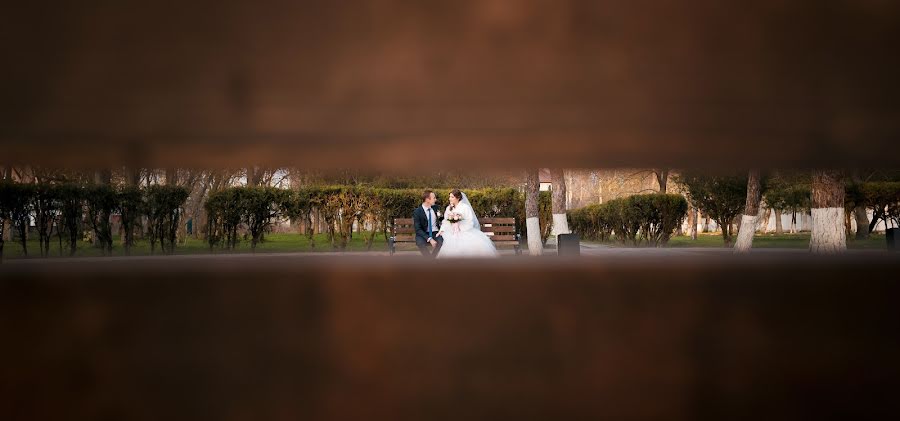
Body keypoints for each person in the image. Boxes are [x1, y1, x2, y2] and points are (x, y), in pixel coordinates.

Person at [436, 189, 499, 258]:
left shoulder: (465, 207)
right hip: (452, 232)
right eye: (450, 197)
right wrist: (442, 229)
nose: (449, 199)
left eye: (452, 197)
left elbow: (470, 221)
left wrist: (459, 226)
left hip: (464, 231)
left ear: (458, 198)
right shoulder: (449, 208)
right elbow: (446, 221)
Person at [413, 190, 443, 258]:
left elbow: (441, 219)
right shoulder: (417, 212)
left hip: (435, 232)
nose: (435, 200)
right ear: (427, 199)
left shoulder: (436, 208)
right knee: (420, 243)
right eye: (434, 198)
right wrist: (430, 239)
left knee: (441, 241)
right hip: (423, 233)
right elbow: (418, 229)